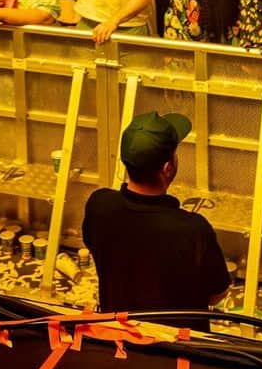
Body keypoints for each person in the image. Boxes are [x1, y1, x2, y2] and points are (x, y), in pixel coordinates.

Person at [82, 111, 230, 313]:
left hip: (119, 337)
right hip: (177, 343)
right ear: (168, 168)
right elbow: (217, 295)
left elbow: (96, 248)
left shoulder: (99, 205)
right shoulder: (193, 230)